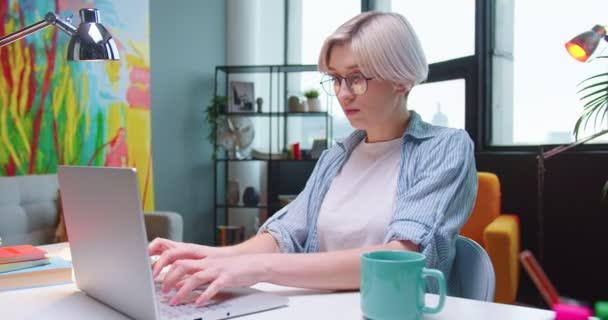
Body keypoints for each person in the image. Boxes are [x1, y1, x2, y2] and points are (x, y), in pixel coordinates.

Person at [150, 11, 478, 306]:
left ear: (402, 79)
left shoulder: (445, 147)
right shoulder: (337, 155)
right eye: (336, 79)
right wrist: (212, 256)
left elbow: (401, 257)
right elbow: (285, 235)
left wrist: (256, 268)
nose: (343, 93)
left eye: (357, 78)